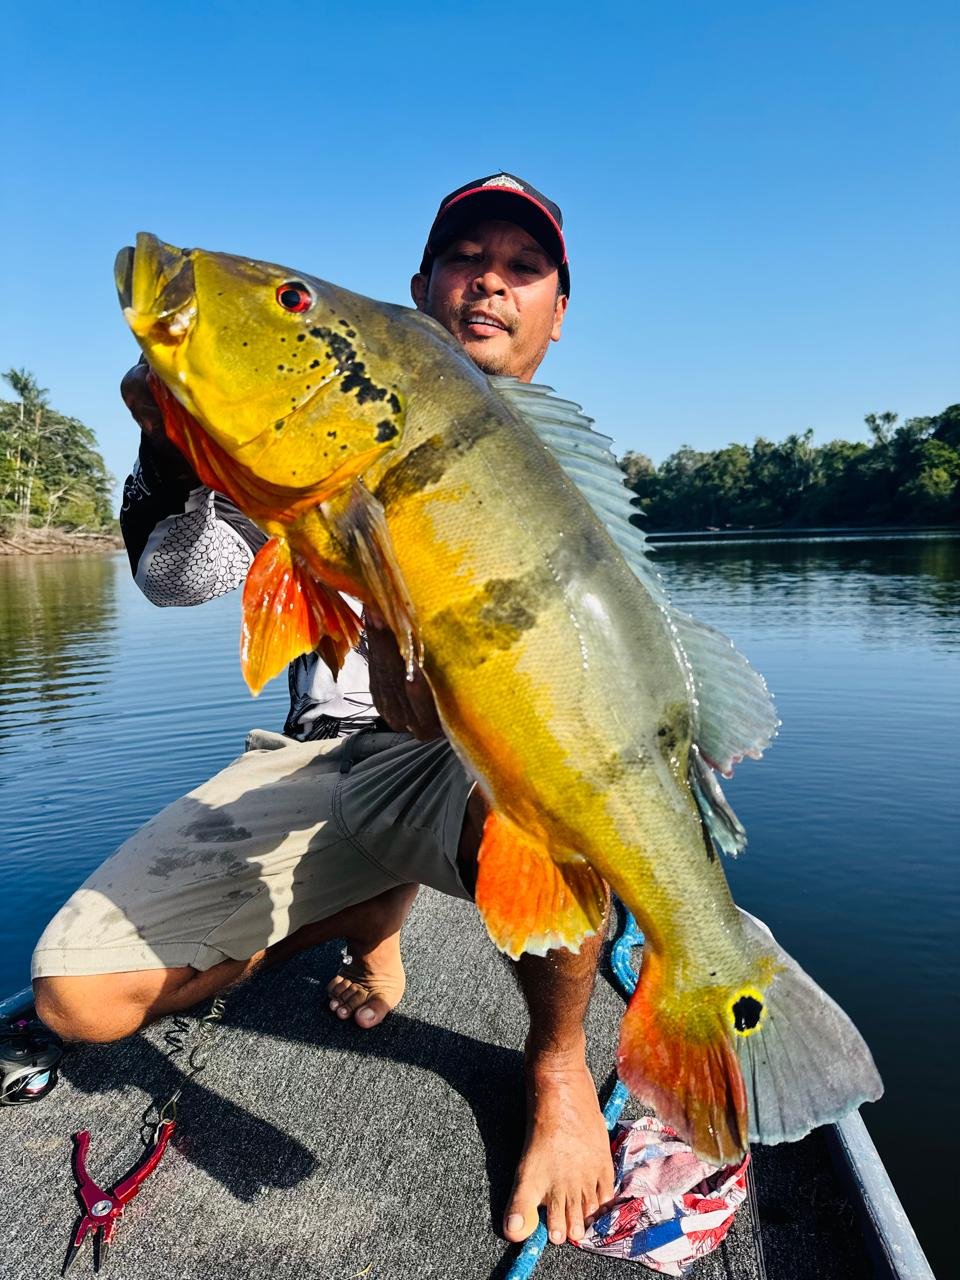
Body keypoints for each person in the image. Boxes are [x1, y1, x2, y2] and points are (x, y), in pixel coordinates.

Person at [32, 175, 615, 1247]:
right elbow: (178, 576)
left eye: (523, 265)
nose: (489, 277)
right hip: (320, 759)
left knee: (568, 794)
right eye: (464, 255)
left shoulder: (565, 495)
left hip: (475, 766)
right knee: (77, 997)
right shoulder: (328, 415)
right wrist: (169, 444)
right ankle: (362, 910)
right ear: (418, 289)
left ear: (556, 313)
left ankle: (560, 1064)